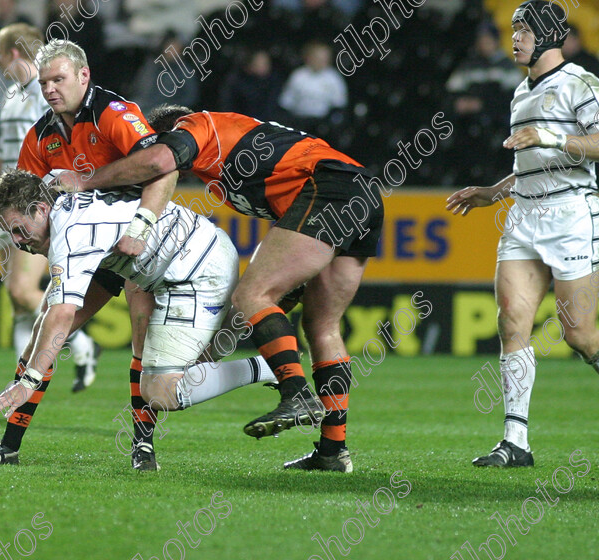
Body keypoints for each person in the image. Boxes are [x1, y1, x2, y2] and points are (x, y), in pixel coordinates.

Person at [57, 105, 385, 473]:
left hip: (328, 186)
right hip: (359, 192)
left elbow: (160, 158)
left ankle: (297, 395)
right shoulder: (223, 168)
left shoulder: (197, 125)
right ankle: (332, 452)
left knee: (251, 295)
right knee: (322, 326)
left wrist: (85, 181)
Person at [0, 169, 281, 470]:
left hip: (195, 272)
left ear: (41, 208)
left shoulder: (70, 234)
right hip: (150, 260)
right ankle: (9, 446)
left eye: (19, 229)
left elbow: (63, 313)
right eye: (11, 233)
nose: (18, 242)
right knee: (42, 338)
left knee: (163, 391)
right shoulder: (56, 184)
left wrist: (28, 382)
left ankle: (266, 367)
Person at [0, 39, 177, 471]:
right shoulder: (40, 135)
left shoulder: (115, 114)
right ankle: (8, 444)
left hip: (134, 247)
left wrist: (142, 227)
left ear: (84, 76)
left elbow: (163, 166)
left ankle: (143, 445)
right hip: (88, 249)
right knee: (46, 330)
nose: (49, 89)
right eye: (44, 82)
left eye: (58, 79)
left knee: (143, 343)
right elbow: (24, 198)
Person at [447, 0, 599, 467]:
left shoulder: (581, 83)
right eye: (513, 29)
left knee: (581, 337)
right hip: (524, 217)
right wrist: (494, 191)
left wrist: (550, 138)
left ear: (550, 35)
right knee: (512, 321)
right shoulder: (520, 92)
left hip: (572, 214)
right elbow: (530, 165)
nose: (514, 38)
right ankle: (516, 443)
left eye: (524, 30)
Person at [0, 24, 99, 392]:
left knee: (23, 290)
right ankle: (19, 378)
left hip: (31, 205)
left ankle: (85, 346)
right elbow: (2, 153)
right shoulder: (13, 95)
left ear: (11, 53)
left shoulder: (47, 98)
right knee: (16, 299)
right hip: (8, 203)